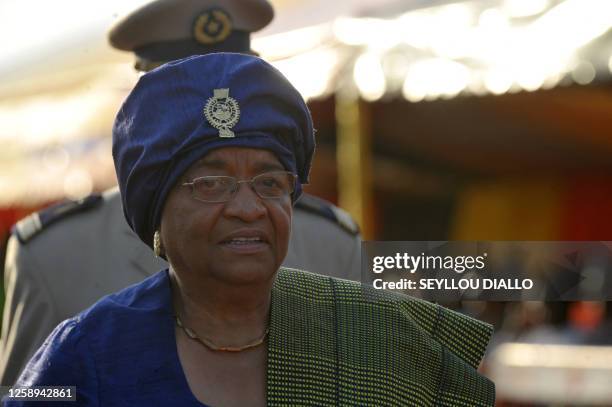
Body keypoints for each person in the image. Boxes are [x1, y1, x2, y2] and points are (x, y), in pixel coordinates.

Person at [5, 53, 495, 406]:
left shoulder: (380, 339)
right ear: (156, 209)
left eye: (268, 181)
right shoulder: (81, 354)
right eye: (212, 183)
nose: (247, 207)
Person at [0, 0, 360, 386]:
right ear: (142, 104)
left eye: (235, 82)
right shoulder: (55, 255)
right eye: (183, 90)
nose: (217, 105)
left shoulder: (331, 242)